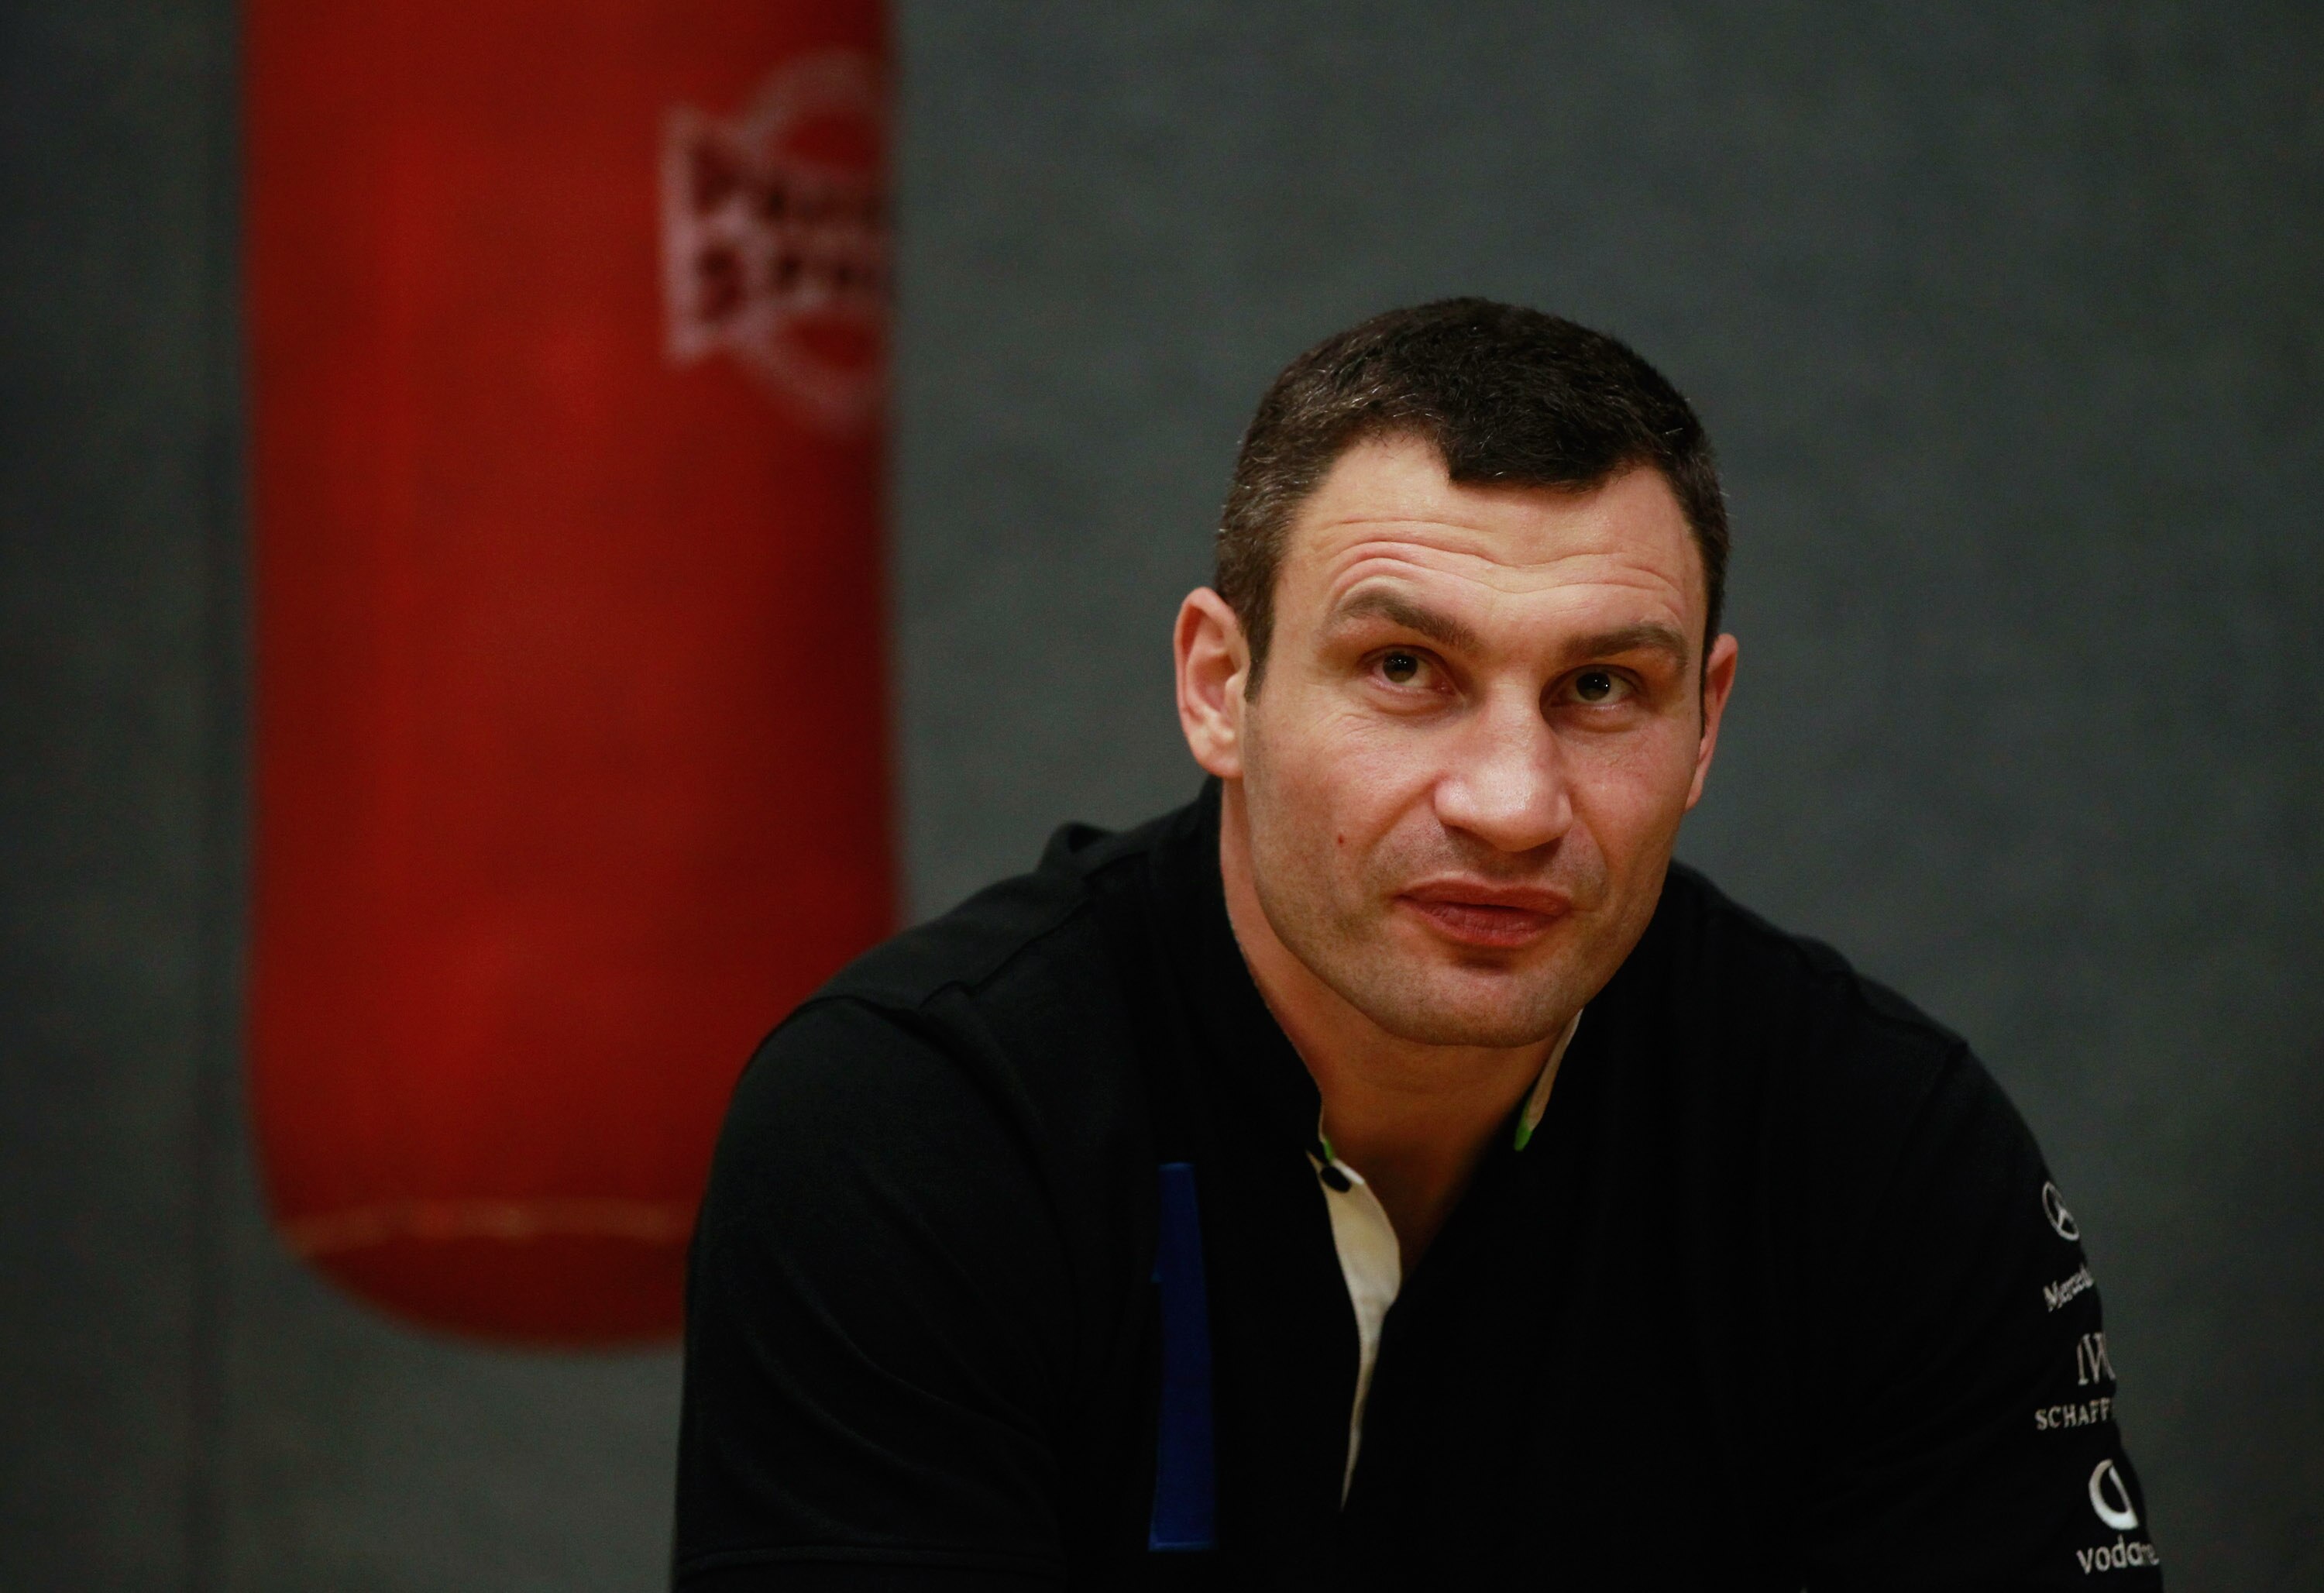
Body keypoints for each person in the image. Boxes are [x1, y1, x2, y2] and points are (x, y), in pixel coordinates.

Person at [672, 300, 2161, 1589]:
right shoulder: (913, 1127)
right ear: (1218, 687)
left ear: (1706, 723)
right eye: (1405, 669)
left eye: (1599, 691)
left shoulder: (1880, 1151)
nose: (1512, 804)